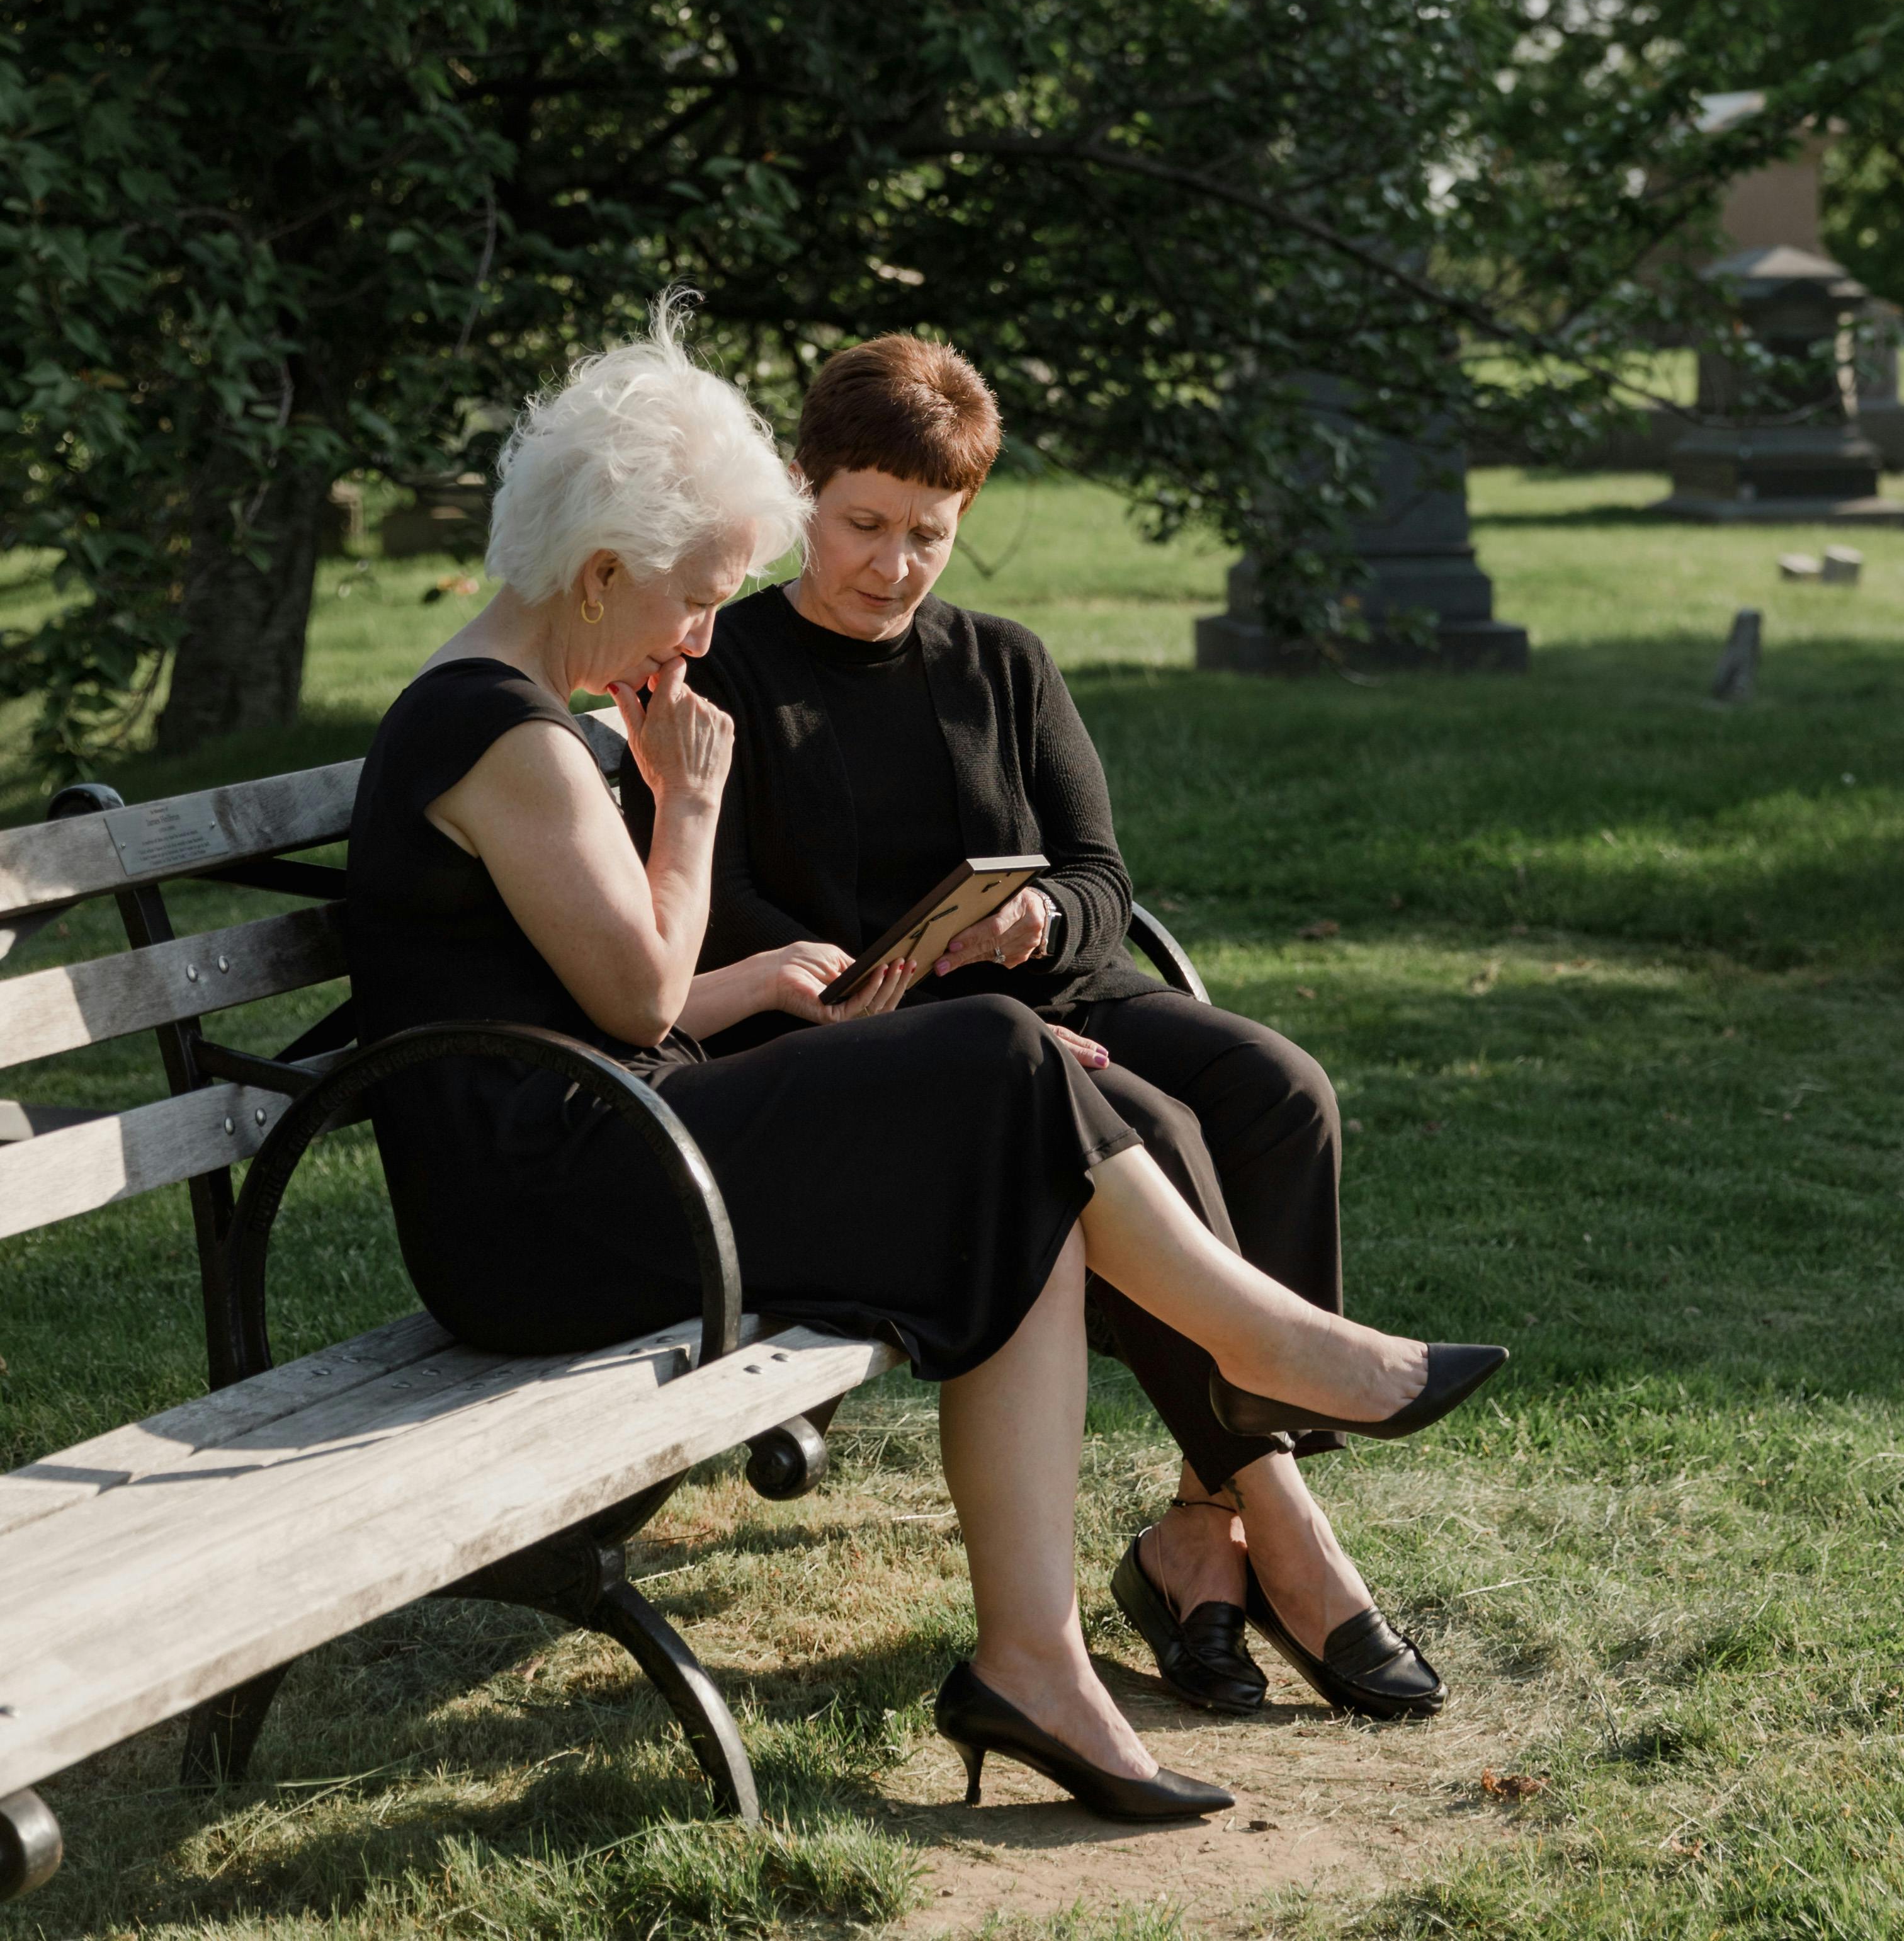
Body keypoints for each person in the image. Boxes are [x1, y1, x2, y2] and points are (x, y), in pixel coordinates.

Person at [344, 303, 1502, 1825]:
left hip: (611, 1144)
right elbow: (631, 1002)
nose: (700, 634)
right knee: (997, 1067)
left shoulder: (525, 715)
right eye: (694, 597)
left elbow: (619, 991)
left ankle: (1035, 1660)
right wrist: (691, 804)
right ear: (604, 566)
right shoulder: (508, 732)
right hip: (542, 1212)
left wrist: (726, 914)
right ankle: (1284, 1361)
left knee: (1006, 1148)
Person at [671, 329, 1446, 1727]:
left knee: (1280, 1088)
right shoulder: (726, 667)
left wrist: (1038, 928)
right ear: (799, 490)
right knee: (1149, 1122)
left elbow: (1098, 875)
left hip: (1045, 997)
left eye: (930, 534)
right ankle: (1281, 1532)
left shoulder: (1005, 664)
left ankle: (1198, 1531)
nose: (895, 564)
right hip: (867, 1051)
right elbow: (707, 925)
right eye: (863, 524)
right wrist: (905, 985)